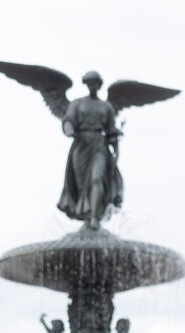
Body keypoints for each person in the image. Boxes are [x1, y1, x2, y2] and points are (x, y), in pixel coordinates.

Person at [57, 71, 123, 230]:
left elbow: (111, 130)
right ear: (86, 84)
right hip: (81, 145)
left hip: (99, 145)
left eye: (95, 83)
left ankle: (94, 216)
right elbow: (68, 120)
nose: (92, 86)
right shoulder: (77, 104)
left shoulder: (106, 107)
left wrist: (116, 150)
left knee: (97, 178)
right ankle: (86, 214)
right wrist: (69, 129)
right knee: (81, 186)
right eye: (89, 83)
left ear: (99, 85)